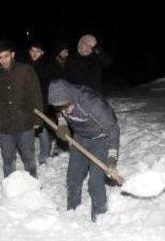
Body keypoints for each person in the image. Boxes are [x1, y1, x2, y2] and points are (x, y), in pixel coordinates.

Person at [48, 78, 120, 222]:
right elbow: (60, 113)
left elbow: (113, 130)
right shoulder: (60, 103)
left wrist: (111, 159)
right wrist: (62, 125)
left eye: (66, 105)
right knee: (73, 177)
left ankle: (100, 216)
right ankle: (72, 211)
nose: (64, 110)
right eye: (59, 107)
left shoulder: (91, 103)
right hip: (80, 137)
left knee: (96, 180)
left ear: (71, 97)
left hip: (101, 138)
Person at [0, 40, 43, 178]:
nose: (4, 60)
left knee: (28, 157)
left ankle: (33, 183)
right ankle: (10, 186)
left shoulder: (26, 70)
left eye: (6, 56)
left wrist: (38, 119)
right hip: (5, 126)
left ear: (12, 54)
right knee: (8, 159)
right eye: (0, 58)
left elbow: (36, 95)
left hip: (25, 123)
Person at [27, 40, 63, 165]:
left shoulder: (46, 65)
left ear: (42, 52)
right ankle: (46, 151)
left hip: (46, 101)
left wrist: (47, 101)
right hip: (35, 101)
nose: (34, 53)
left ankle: (44, 154)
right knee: (41, 127)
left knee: (43, 127)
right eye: (32, 51)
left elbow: (50, 84)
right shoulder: (30, 64)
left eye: (37, 51)